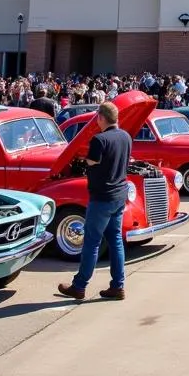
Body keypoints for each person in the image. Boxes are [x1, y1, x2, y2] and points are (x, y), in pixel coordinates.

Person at [58, 101, 132, 301]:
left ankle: (79, 286)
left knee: (91, 242)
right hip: (119, 195)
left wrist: (84, 162)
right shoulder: (125, 136)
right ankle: (118, 285)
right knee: (116, 240)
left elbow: (91, 162)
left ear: (101, 118)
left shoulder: (99, 139)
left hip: (101, 197)